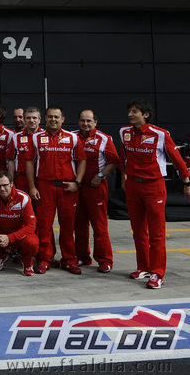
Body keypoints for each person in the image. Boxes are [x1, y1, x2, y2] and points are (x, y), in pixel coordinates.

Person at [118, 100, 190, 290]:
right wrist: (124, 177)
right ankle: (143, 267)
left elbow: (177, 159)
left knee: (156, 233)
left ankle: (157, 273)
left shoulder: (160, 134)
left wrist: (186, 182)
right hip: (133, 185)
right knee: (138, 230)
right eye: (129, 111)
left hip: (154, 187)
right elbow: (123, 157)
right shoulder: (124, 132)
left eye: (135, 112)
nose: (130, 115)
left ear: (146, 115)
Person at [24, 106, 85, 275]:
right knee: (44, 225)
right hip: (45, 186)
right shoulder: (36, 138)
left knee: (67, 226)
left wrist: (77, 183)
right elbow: (29, 162)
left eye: (56, 117)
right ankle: (45, 259)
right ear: (45, 118)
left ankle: (69, 260)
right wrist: (32, 186)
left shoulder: (72, 138)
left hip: (68, 187)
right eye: (50, 117)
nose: (53, 120)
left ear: (63, 119)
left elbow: (82, 161)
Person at [75, 109, 119, 273]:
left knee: (99, 226)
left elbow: (114, 161)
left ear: (95, 122)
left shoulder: (104, 138)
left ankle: (105, 260)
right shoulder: (71, 136)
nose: (85, 124)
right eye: (82, 121)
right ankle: (82, 256)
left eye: (88, 121)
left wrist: (100, 175)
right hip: (77, 187)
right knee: (79, 225)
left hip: (96, 187)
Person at [0, 171, 39, 276]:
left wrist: (10, 238)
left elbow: (31, 226)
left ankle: (27, 263)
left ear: (11, 184)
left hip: (19, 234)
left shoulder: (23, 198)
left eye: (5, 185)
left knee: (32, 242)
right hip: (0, 233)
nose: (2, 189)